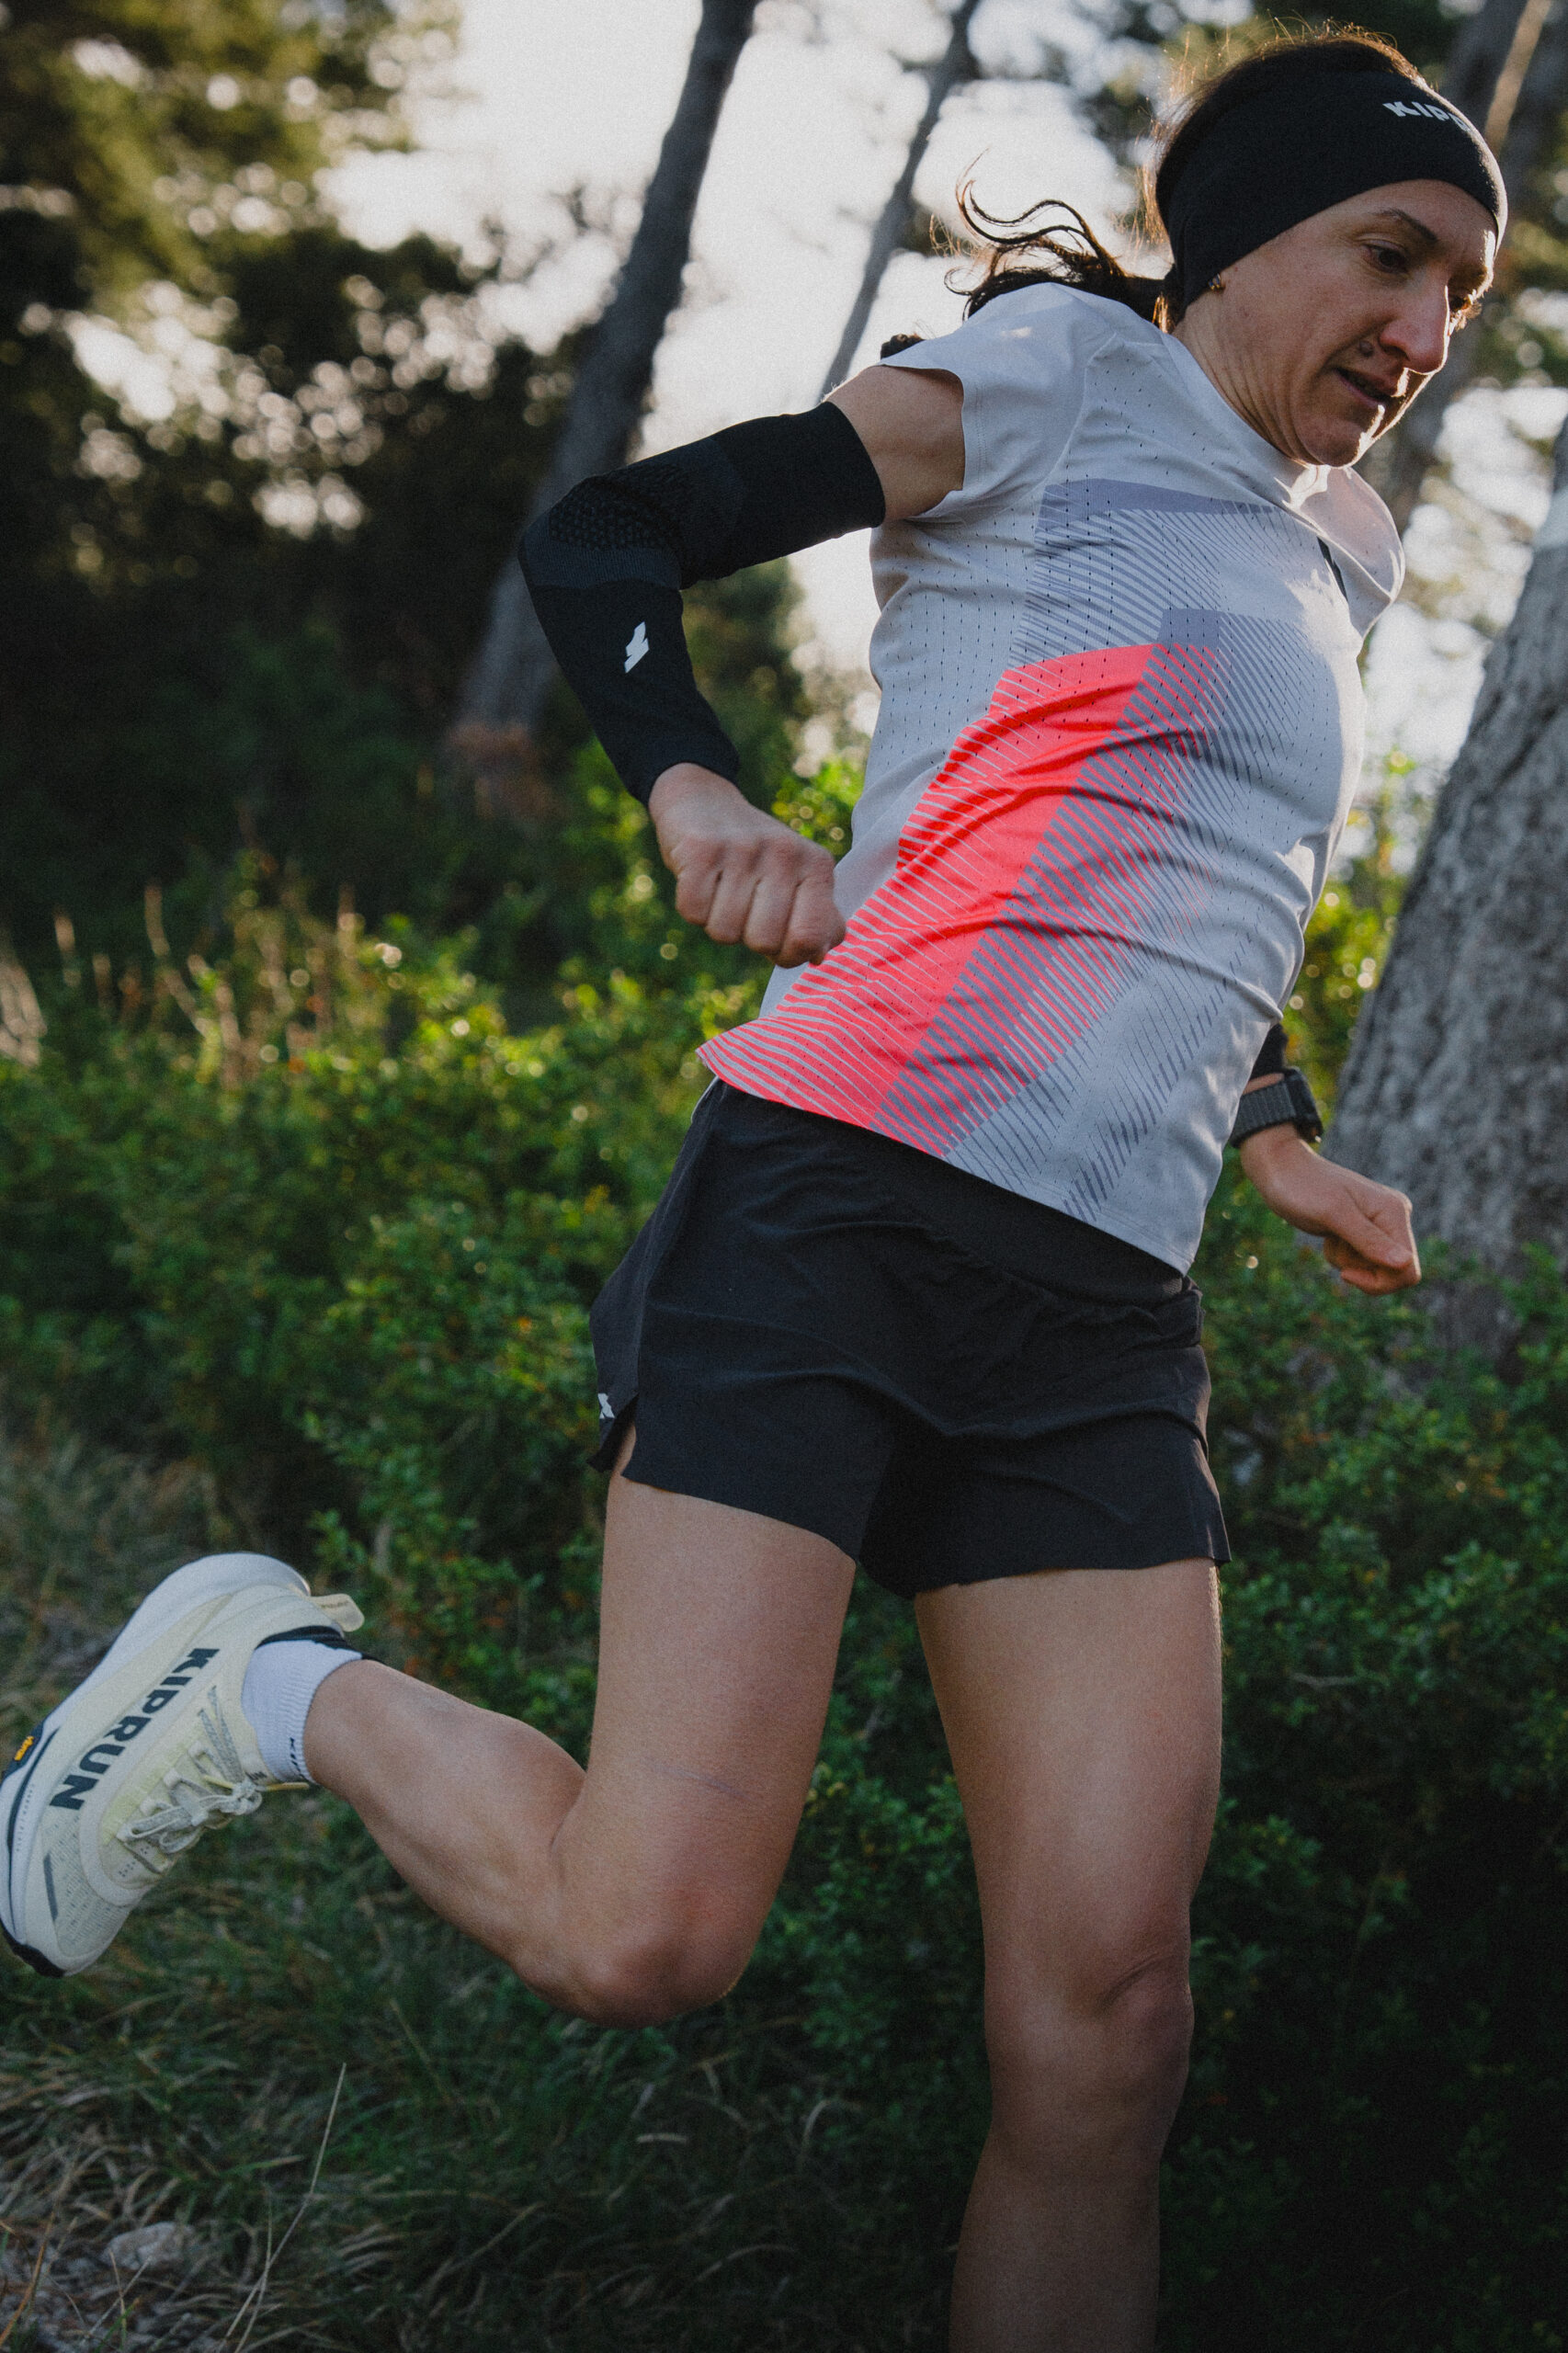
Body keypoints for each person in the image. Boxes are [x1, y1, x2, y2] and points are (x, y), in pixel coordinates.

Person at [3, 28, 1502, 2351]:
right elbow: (609, 531)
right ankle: (264, 1684)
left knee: (1108, 2028)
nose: (1419, 329)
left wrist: (1278, 1135)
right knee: (647, 1932)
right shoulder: (1046, 382)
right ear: (1226, 241)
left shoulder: (1349, 546)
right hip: (837, 1215)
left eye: (1463, 299)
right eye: (1386, 256)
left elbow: (1198, 879)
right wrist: (694, 788)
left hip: (1102, 1319)